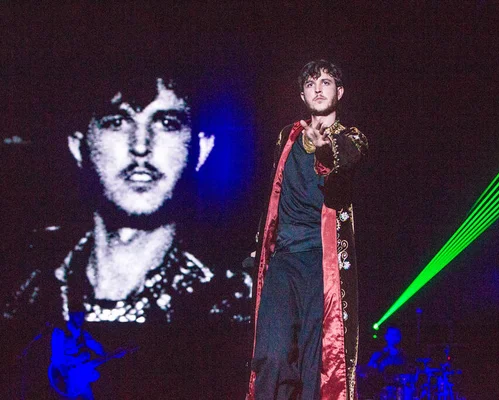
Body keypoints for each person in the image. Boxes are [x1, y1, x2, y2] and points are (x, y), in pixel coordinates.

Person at [2, 75, 252, 398]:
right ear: (78, 146)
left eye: (166, 122)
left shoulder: (231, 312)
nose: (140, 145)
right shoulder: (22, 294)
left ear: (202, 149)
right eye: (117, 121)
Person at [247, 60, 368, 400]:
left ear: (339, 92)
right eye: (312, 83)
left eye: (326, 82)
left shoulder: (351, 138)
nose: (318, 88)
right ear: (302, 94)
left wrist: (323, 150)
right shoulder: (287, 136)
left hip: (322, 264)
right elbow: (274, 194)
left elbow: (343, 163)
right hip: (284, 261)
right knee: (271, 354)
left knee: (318, 364)